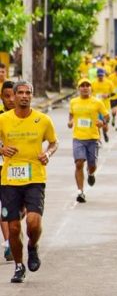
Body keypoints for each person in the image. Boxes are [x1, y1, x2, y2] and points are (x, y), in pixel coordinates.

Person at [0, 81, 58, 283]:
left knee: (33, 223)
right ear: (13, 96)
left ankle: (32, 246)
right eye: (21, 93)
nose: (24, 96)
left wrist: (48, 154)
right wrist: (1, 149)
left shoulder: (42, 120)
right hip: (10, 179)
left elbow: (53, 142)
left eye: (28, 93)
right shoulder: (3, 120)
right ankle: (18, 265)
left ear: (32, 96)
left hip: (35, 177)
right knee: (14, 228)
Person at [68, 78, 109, 203]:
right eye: (82, 86)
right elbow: (71, 115)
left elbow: (107, 116)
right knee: (79, 163)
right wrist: (70, 122)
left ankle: (91, 174)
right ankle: (80, 192)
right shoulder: (74, 102)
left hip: (93, 138)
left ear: (91, 88)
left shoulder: (97, 102)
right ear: (78, 88)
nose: (85, 88)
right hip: (78, 138)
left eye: (87, 85)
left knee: (92, 165)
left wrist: (103, 122)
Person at [0, 81, 16, 261]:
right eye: (7, 96)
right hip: (1, 167)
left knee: (20, 210)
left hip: (21, 169)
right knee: (3, 207)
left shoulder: (27, 116)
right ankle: (9, 243)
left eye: (14, 95)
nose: (11, 100)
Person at [91, 68, 113, 143]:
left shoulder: (109, 83)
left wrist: (108, 95)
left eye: (101, 75)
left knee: (105, 125)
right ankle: (98, 139)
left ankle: (105, 132)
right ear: (97, 75)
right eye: (99, 75)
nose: (100, 77)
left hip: (105, 107)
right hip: (96, 107)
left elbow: (113, 93)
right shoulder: (93, 83)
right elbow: (90, 93)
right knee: (97, 124)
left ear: (104, 75)